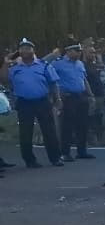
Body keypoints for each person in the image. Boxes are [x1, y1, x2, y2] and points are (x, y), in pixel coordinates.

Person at [5, 39, 64, 168]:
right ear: (18, 52)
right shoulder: (14, 68)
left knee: (49, 130)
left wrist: (58, 99)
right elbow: (6, 81)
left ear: (33, 50)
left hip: (42, 101)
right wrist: (6, 61)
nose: (24, 51)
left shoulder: (44, 65)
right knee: (25, 132)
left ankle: (55, 158)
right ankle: (29, 160)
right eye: (22, 48)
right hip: (24, 103)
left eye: (28, 48)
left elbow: (53, 83)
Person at [52, 43, 94, 160]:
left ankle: (82, 151)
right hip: (67, 96)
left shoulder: (80, 63)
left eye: (80, 51)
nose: (79, 53)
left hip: (81, 96)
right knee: (67, 126)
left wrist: (90, 95)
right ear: (68, 51)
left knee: (83, 125)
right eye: (77, 51)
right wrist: (57, 97)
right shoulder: (57, 63)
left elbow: (84, 79)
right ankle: (65, 152)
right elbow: (52, 80)